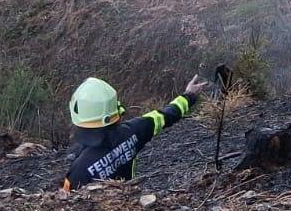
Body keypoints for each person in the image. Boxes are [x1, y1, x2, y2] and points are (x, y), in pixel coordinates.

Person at [62, 74, 207, 192]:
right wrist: (189, 96)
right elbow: (166, 115)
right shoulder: (134, 131)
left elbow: (66, 204)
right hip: (129, 200)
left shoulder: (79, 170)